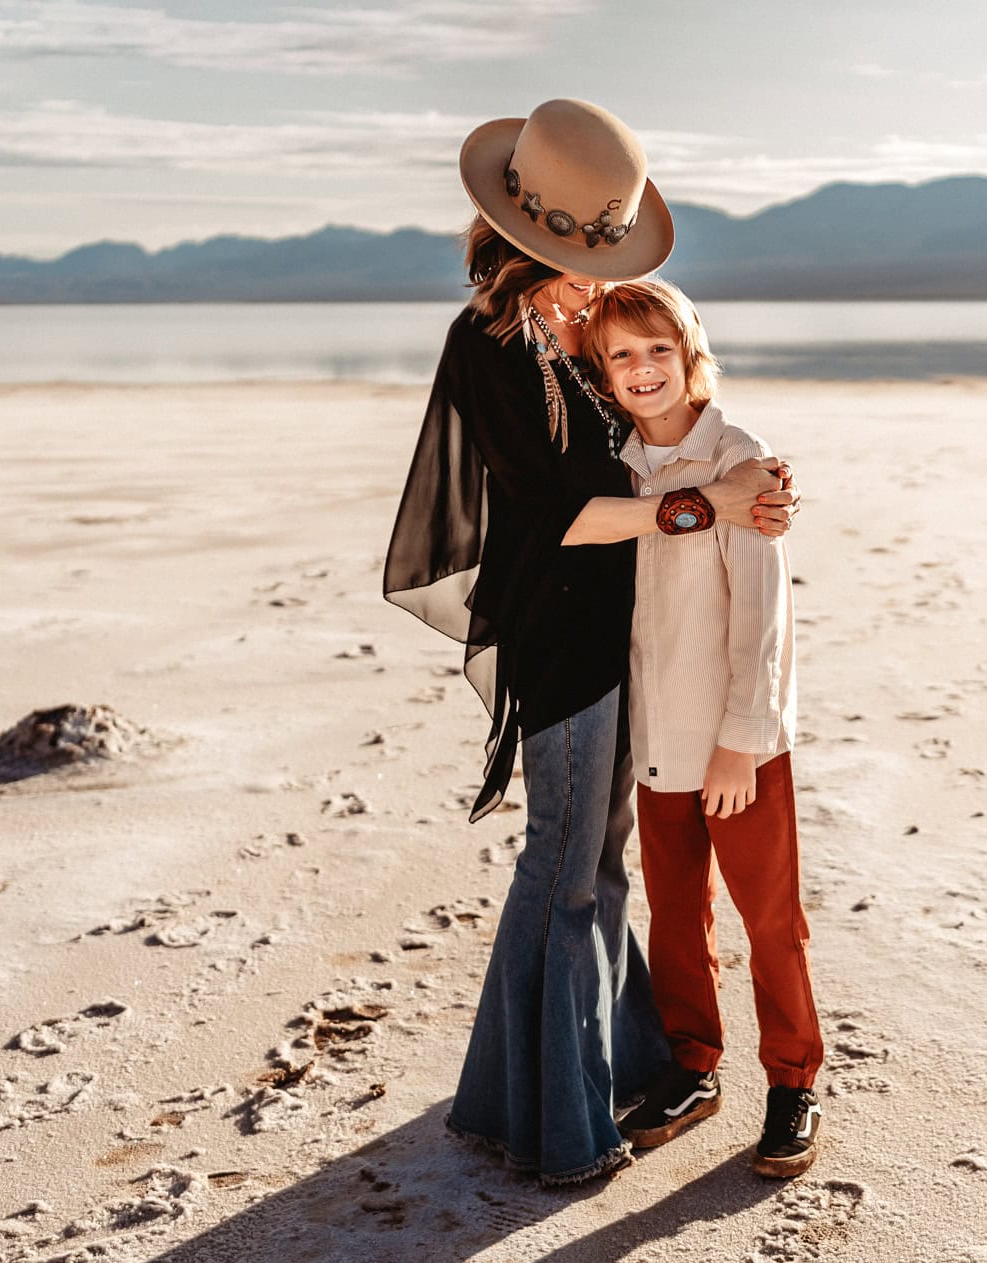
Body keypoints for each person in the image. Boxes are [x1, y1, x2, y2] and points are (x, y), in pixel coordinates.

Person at [381, 100, 801, 1186]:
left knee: (594, 873)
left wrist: (743, 480)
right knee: (565, 873)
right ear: (523, 246)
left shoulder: (578, 329)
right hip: (561, 646)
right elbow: (560, 511)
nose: (585, 278)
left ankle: (561, 1076)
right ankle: (557, 1123)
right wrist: (714, 503)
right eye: (571, 258)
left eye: (592, 255)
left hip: (628, 640)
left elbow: (661, 432)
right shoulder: (487, 343)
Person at [582, 279, 824, 1178]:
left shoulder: (741, 460)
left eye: (658, 350)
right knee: (676, 913)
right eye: (621, 356)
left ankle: (794, 1082)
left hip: (736, 743)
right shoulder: (616, 463)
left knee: (770, 920)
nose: (644, 370)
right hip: (656, 737)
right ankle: (694, 1066)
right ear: (604, 376)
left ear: (690, 354)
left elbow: (762, 620)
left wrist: (741, 739)